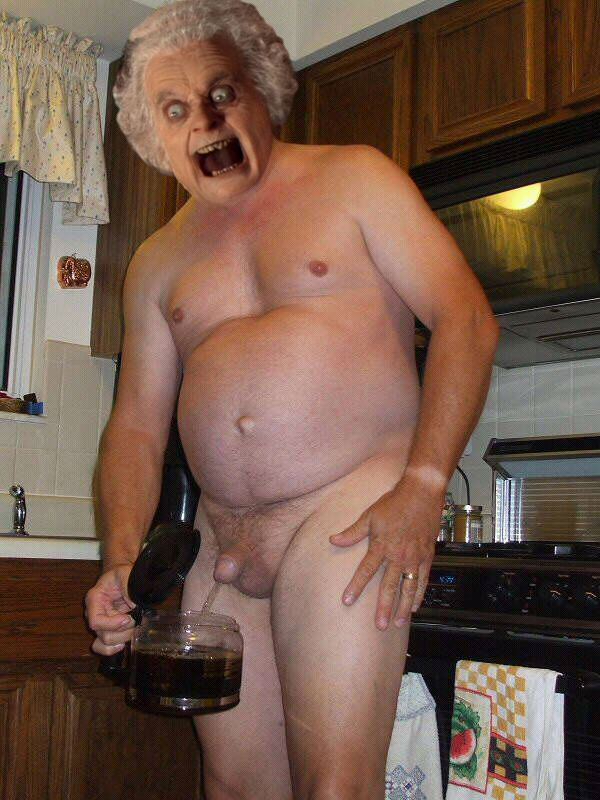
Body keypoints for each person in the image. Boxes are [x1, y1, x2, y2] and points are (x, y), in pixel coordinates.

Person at [85, 1, 499, 797]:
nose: (203, 122)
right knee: (234, 787)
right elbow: (134, 428)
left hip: (344, 518)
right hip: (221, 542)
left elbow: (467, 319)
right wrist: (121, 559)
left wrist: (423, 485)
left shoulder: (356, 178)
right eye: (174, 109)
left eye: (219, 92)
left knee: (333, 787)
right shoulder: (156, 259)